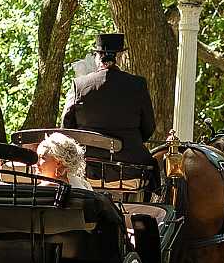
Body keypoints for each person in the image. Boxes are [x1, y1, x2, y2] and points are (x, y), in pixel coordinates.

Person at [61, 33, 157, 170]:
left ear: (98, 58)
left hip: (87, 166)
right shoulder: (138, 84)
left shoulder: (80, 85)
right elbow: (148, 127)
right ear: (120, 57)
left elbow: (67, 126)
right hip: (129, 167)